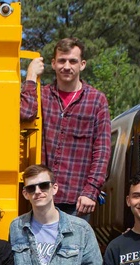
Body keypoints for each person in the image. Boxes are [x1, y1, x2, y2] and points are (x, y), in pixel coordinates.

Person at [20, 38, 111, 217]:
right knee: (42, 245)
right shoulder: (42, 95)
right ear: (53, 64)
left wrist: (91, 191)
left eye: (73, 61)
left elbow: (102, 150)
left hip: (78, 199)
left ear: (82, 65)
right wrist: (31, 76)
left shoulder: (97, 100)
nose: (67, 66)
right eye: (61, 61)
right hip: (42, 194)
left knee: (74, 246)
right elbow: (25, 114)